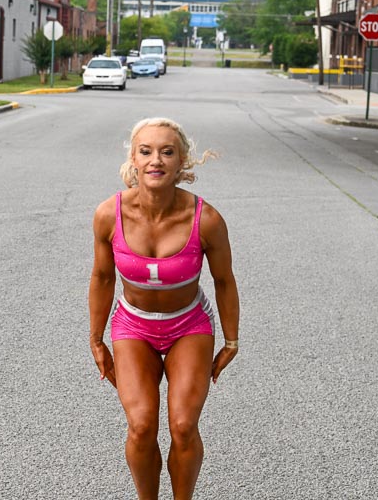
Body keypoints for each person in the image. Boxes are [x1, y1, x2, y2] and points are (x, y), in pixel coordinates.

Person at [88, 117, 240, 499]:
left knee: (184, 426)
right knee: (141, 426)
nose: (156, 160)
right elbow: (103, 278)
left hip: (188, 325)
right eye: (146, 151)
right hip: (133, 326)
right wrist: (96, 339)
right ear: (134, 159)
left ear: (181, 161)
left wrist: (231, 341)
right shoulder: (108, 215)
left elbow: (224, 280)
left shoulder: (206, 219)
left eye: (167, 152)